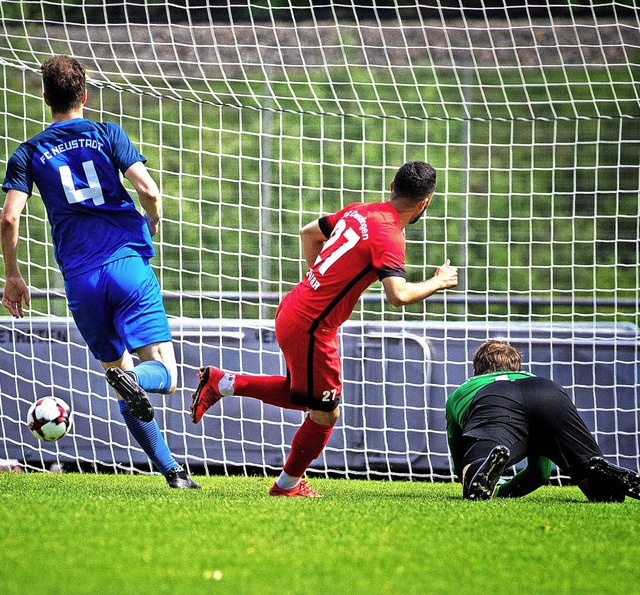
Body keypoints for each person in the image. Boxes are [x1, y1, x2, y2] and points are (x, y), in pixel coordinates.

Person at [190, 160, 459, 497]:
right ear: (426, 202)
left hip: (295, 306)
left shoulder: (360, 210)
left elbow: (308, 233)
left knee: (306, 396)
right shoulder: (390, 236)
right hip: (312, 328)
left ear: (392, 186)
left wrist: (319, 281)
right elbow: (398, 295)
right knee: (325, 413)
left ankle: (222, 382)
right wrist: (438, 281)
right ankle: (286, 485)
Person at [1, 55, 198, 489]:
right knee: (162, 374)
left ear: (46, 99)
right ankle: (137, 385)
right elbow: (147, 188)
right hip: (126, 264)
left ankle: (173, 473)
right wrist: (154, 218)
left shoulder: (29, 153)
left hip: (80, 279)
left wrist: (13, 276)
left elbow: (9, 219)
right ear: (85, 95)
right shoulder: (108, 134)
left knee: (118, 374)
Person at [446, 339, 640, 501]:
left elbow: (458, 453)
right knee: (596, 482)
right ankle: (603, 478)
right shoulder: (529, 376)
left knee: (475, 468)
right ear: (517, 367)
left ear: (476, 372)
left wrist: (496, 489)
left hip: (495, 398)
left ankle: (483, 467)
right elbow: (540, 474)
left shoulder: (463, 391)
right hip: (548, 391)